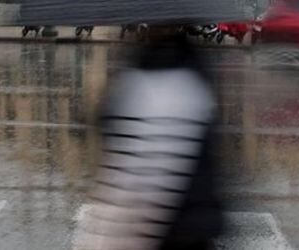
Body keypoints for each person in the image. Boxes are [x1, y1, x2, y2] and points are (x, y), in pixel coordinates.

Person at [74, 25, 223, 250]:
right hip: (196, 220)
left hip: (161, 221)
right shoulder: (198, 71)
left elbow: (115, 132)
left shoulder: (139, 74)